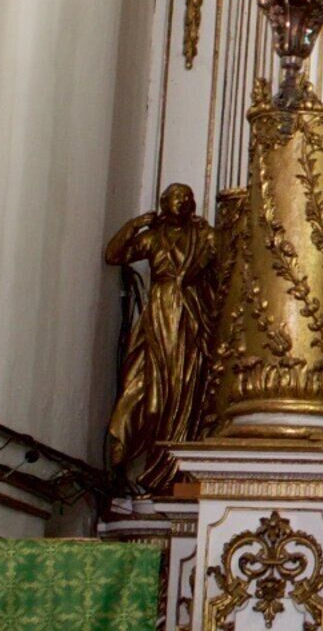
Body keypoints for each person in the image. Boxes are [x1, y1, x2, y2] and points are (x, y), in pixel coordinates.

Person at [103, 183, 221, 481]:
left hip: (192, 315)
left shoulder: (205, 236)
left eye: (188, 197)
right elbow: (114, 255)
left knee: (188, 386)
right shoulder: (153, 238)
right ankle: (155, 464)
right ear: (164, 203)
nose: (183, 202)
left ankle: (177, 469)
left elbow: (228, 266)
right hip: (160, 314)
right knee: (154, 401)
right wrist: (134, 224)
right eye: (177, 197)